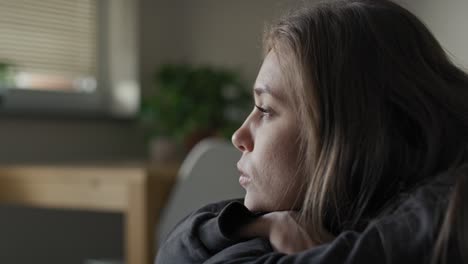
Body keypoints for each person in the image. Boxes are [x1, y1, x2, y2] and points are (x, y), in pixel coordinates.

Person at [156, 0, 468, 263]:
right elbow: (173, 251)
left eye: (265, 110)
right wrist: (259, 226)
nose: (239, 137)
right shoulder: (325, 213)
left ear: (349, 129)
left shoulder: (445, 216)